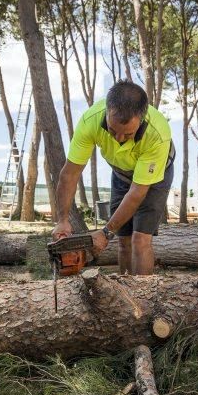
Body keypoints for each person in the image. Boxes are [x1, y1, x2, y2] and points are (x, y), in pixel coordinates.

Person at [51, 80, 174, 275]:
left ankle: (143, 298)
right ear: (107, 111)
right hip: (121, 172)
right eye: (112, 130)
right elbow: (69, 174)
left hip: (154, 177)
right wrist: (63, 219)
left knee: (140, 239)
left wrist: (106, 232)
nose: (118, 139)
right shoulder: (90, 121)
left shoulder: (157, 134)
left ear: (141, 120)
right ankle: (125, 295)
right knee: (123, 241)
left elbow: (137, 192)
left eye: (128, 134)